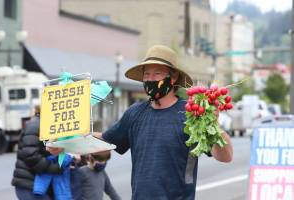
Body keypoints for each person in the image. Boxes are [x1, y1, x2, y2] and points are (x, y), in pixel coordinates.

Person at [48, 44, 233, 200]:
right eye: (147, 75)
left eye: (157, 74)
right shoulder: (135, 113)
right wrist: (65, 143)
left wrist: (214, 126)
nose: (150, 80)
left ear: (173, 77)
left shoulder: (190, 114)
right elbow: (104, 140)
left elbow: (225, 156)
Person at [12, 105, 64, 200]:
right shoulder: (35, 125)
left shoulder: (49, 125)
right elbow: (30, 155)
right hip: (29, 184)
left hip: (38, 184)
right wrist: (54, 167)